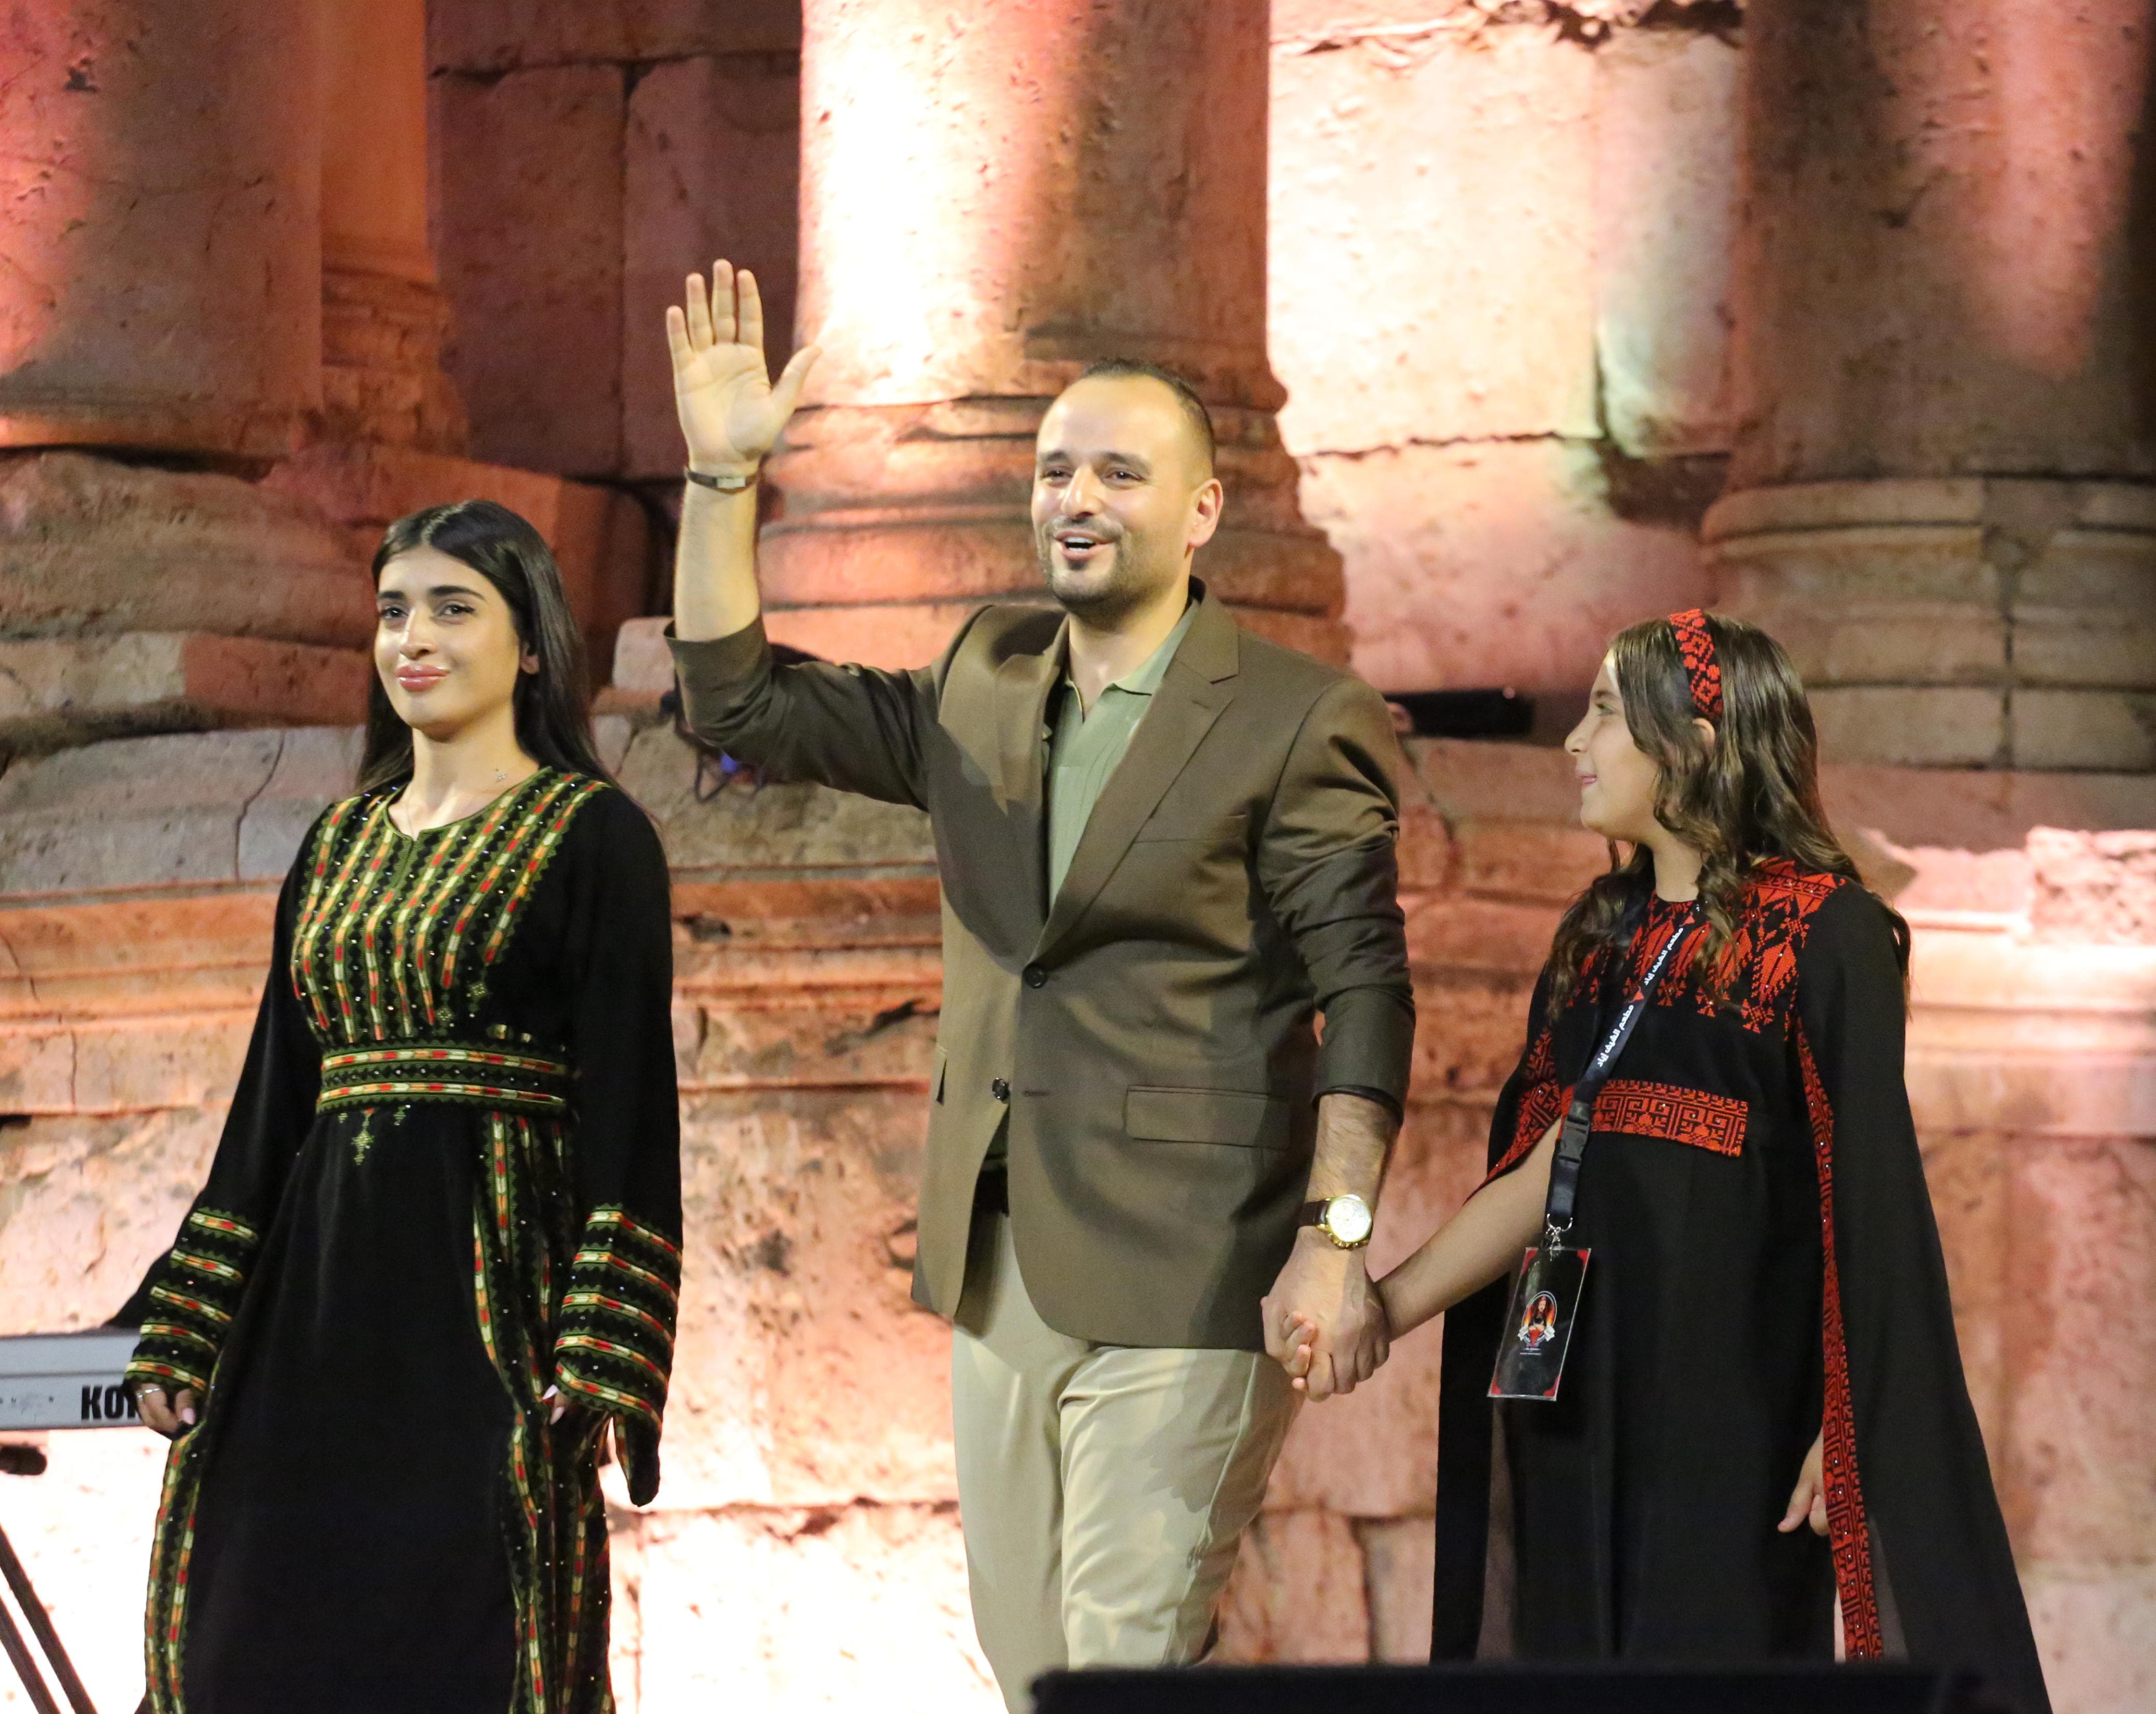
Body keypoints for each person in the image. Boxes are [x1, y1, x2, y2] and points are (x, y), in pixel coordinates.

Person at [662, 262, 1414, 1704]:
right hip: (1001, 1263)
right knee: (1035, 1674)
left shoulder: (1294, 714)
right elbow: (736, 703)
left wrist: (1337, 1234)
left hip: (1193, 1264)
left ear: (1201, 511)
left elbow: (1366, 991)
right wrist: (721, 478)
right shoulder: (985, 674)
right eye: (1056, 469)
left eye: (1120, 473)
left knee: (1123, 1659)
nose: (1077, 497)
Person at [1280, 611, 2050, 1712]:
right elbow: (1541, 1170)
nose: (1572, 741)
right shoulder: (1599, 934)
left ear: (1693, 740)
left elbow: (1871, 1209)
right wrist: (1379, 1308)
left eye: (1603, 712)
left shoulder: (1826, 933)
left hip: (1732, 1421)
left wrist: (1845, 1430)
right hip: (1571, 1404)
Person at [124, 500, 682, 1714]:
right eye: (392, 611)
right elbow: (271, 1107)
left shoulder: (594, 837)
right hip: (307, 1317)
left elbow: (633, 1111)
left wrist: (599, 1347)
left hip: (483, 1315)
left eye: (451, 608)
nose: (412, 638)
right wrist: (189, 1318)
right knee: (248, 1643)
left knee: (468, 1643)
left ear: (530, 643)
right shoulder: (336, 845)